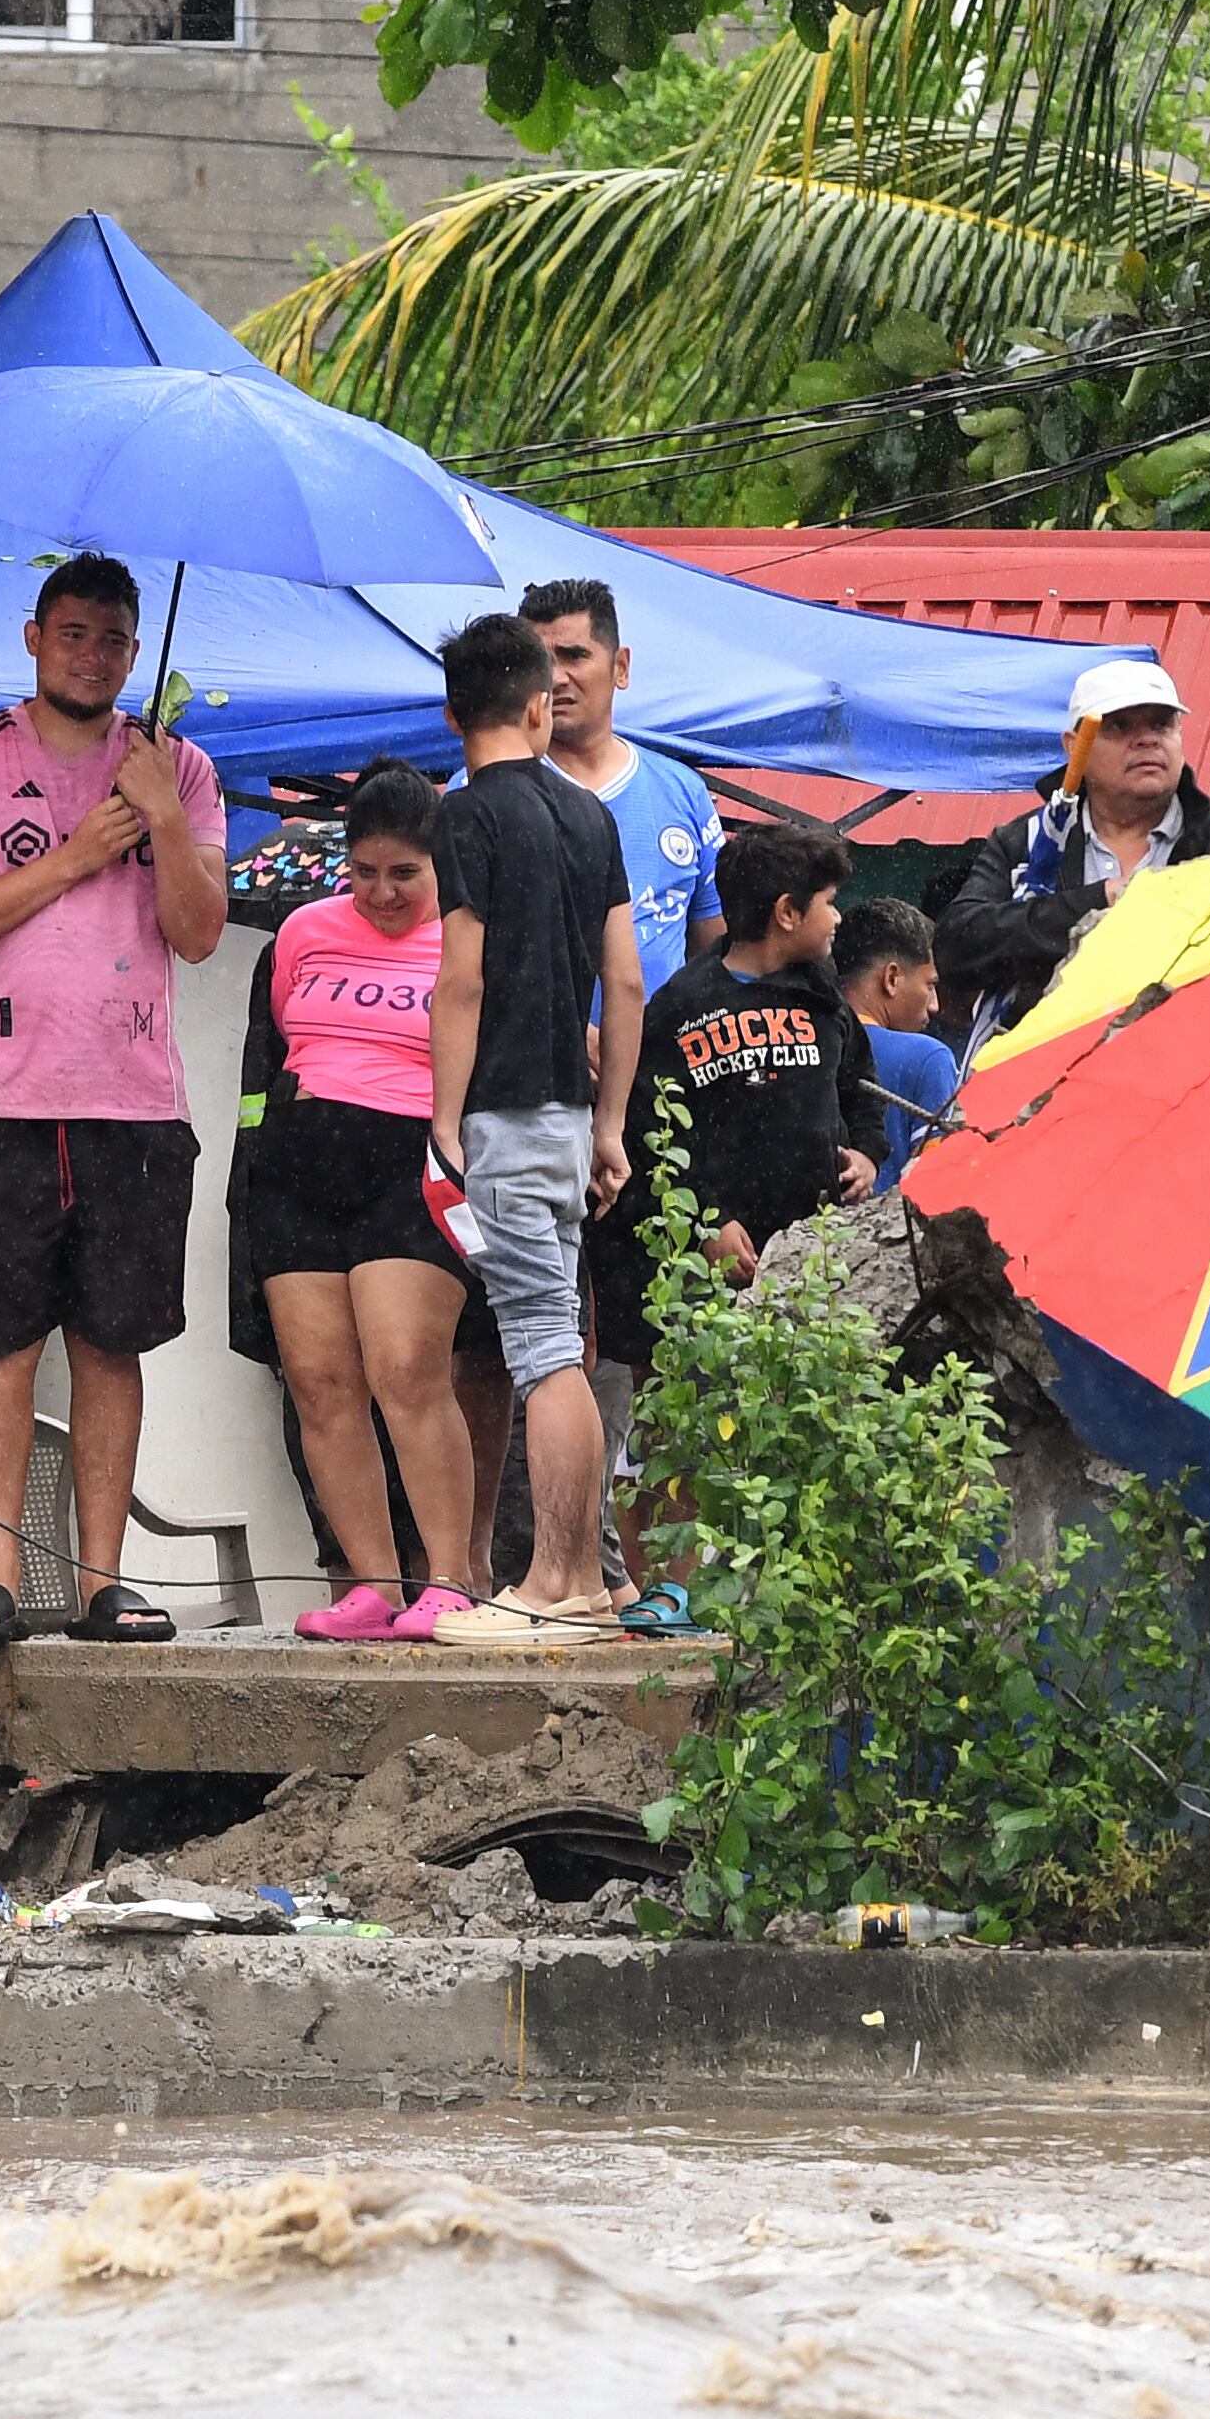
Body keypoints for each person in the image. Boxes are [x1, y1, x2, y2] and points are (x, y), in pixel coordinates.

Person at [0, 555, 226, 1647]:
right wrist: (83, 853)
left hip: (134, 1101)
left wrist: (163, 824)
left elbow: (195, 932)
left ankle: (103, 1582)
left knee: (109, 1339)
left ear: (136, 655)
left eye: (112, 640)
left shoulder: (176, 767)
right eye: (73, 633)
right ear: (34, 637)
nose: (91, 655)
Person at [592, 824, 882, 1621]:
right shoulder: (685, 1005)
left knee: (788, 1428)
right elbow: (650, 1137)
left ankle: (786, 1592)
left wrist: (866, 1154)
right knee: (678, 1430)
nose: (836, 920)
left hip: (805, 1265)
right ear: (786, 912)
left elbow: (858, 1088)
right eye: (828, 904)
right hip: (696, 1266)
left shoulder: (823, 996)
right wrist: (707, 1222)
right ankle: (669, 1586)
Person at [420, 612, 643, 1643]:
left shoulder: (463, 817)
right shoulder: (591, 816)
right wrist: (609, 1125)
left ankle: (557, 1581)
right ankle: (587, 1578)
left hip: (502, 1112)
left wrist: (442, 1118)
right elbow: (626, 981)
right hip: (569, 1108)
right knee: (560, 1332)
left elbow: (457, 982)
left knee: (544, 1347)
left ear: (455, 709)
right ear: (532, 704)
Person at [242, 765, 480, 1642]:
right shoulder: (304, 930)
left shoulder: (467, 942)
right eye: (365, 871)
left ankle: (450, 1576)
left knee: (405, 1370)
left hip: (408, 1163)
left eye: (404, 875)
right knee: (318, 1380)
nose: (381, 892)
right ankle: (371, 1582)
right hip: (302, 1166)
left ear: (439, 866)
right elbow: (282, 1040)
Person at [933, 654, 1210, 1058]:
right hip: (1048, 1090)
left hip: (1201, 1080)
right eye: (1120, 726)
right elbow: (956, 946)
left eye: (1161, 724)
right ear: (1075, 747)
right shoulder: (1026, 843)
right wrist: (1097, 904)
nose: (1146, 740)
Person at [521, 578, 724, 997]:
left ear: (621, 667)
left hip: (662, 1058)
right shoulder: (483, 790)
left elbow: (715, 953)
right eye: (539, 661)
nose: (556, 678)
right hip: (533, 1059)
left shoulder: (683, 792)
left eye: (574, 656)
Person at [835, 895, 959, 1191]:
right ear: (891, 978)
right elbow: (938, 1188)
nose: (935, 1005)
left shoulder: (802, 1041)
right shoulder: (929, 1057)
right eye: (929, 985)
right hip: (891, 1235)